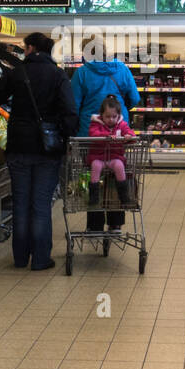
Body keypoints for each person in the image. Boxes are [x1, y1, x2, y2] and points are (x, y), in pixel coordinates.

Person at [0, 31, 75, 271]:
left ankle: (20, 258)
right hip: (47, 150)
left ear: (30, 48)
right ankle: (40, 259)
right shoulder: (58, 75)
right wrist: (67, 141)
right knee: (40, 204)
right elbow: (70, 112)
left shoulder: (17, 73)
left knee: (21, 203)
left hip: (19, 147)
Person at [70, 52, 140, 233]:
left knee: (92, 176)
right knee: (117, 175)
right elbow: (134, 98)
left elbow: (73, 104)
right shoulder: (122, 69)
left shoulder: (82, 72)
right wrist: (118, 114)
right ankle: (115, 223)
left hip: (89, 136)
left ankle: (94, 225)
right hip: (117, 133)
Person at [87, 94, 136, 207]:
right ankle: (93, 196)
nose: (111, 119)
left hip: (115, 157)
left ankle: (124, 196)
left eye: (114, 116)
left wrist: (129, 136)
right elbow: (93, 134)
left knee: (119, 166)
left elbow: (131, 133)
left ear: (118, 115)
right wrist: (108, 135)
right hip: (98, 157)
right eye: (107, 116)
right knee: (95, 166)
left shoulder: (122, 124)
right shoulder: (96, 123)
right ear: (101, 115)